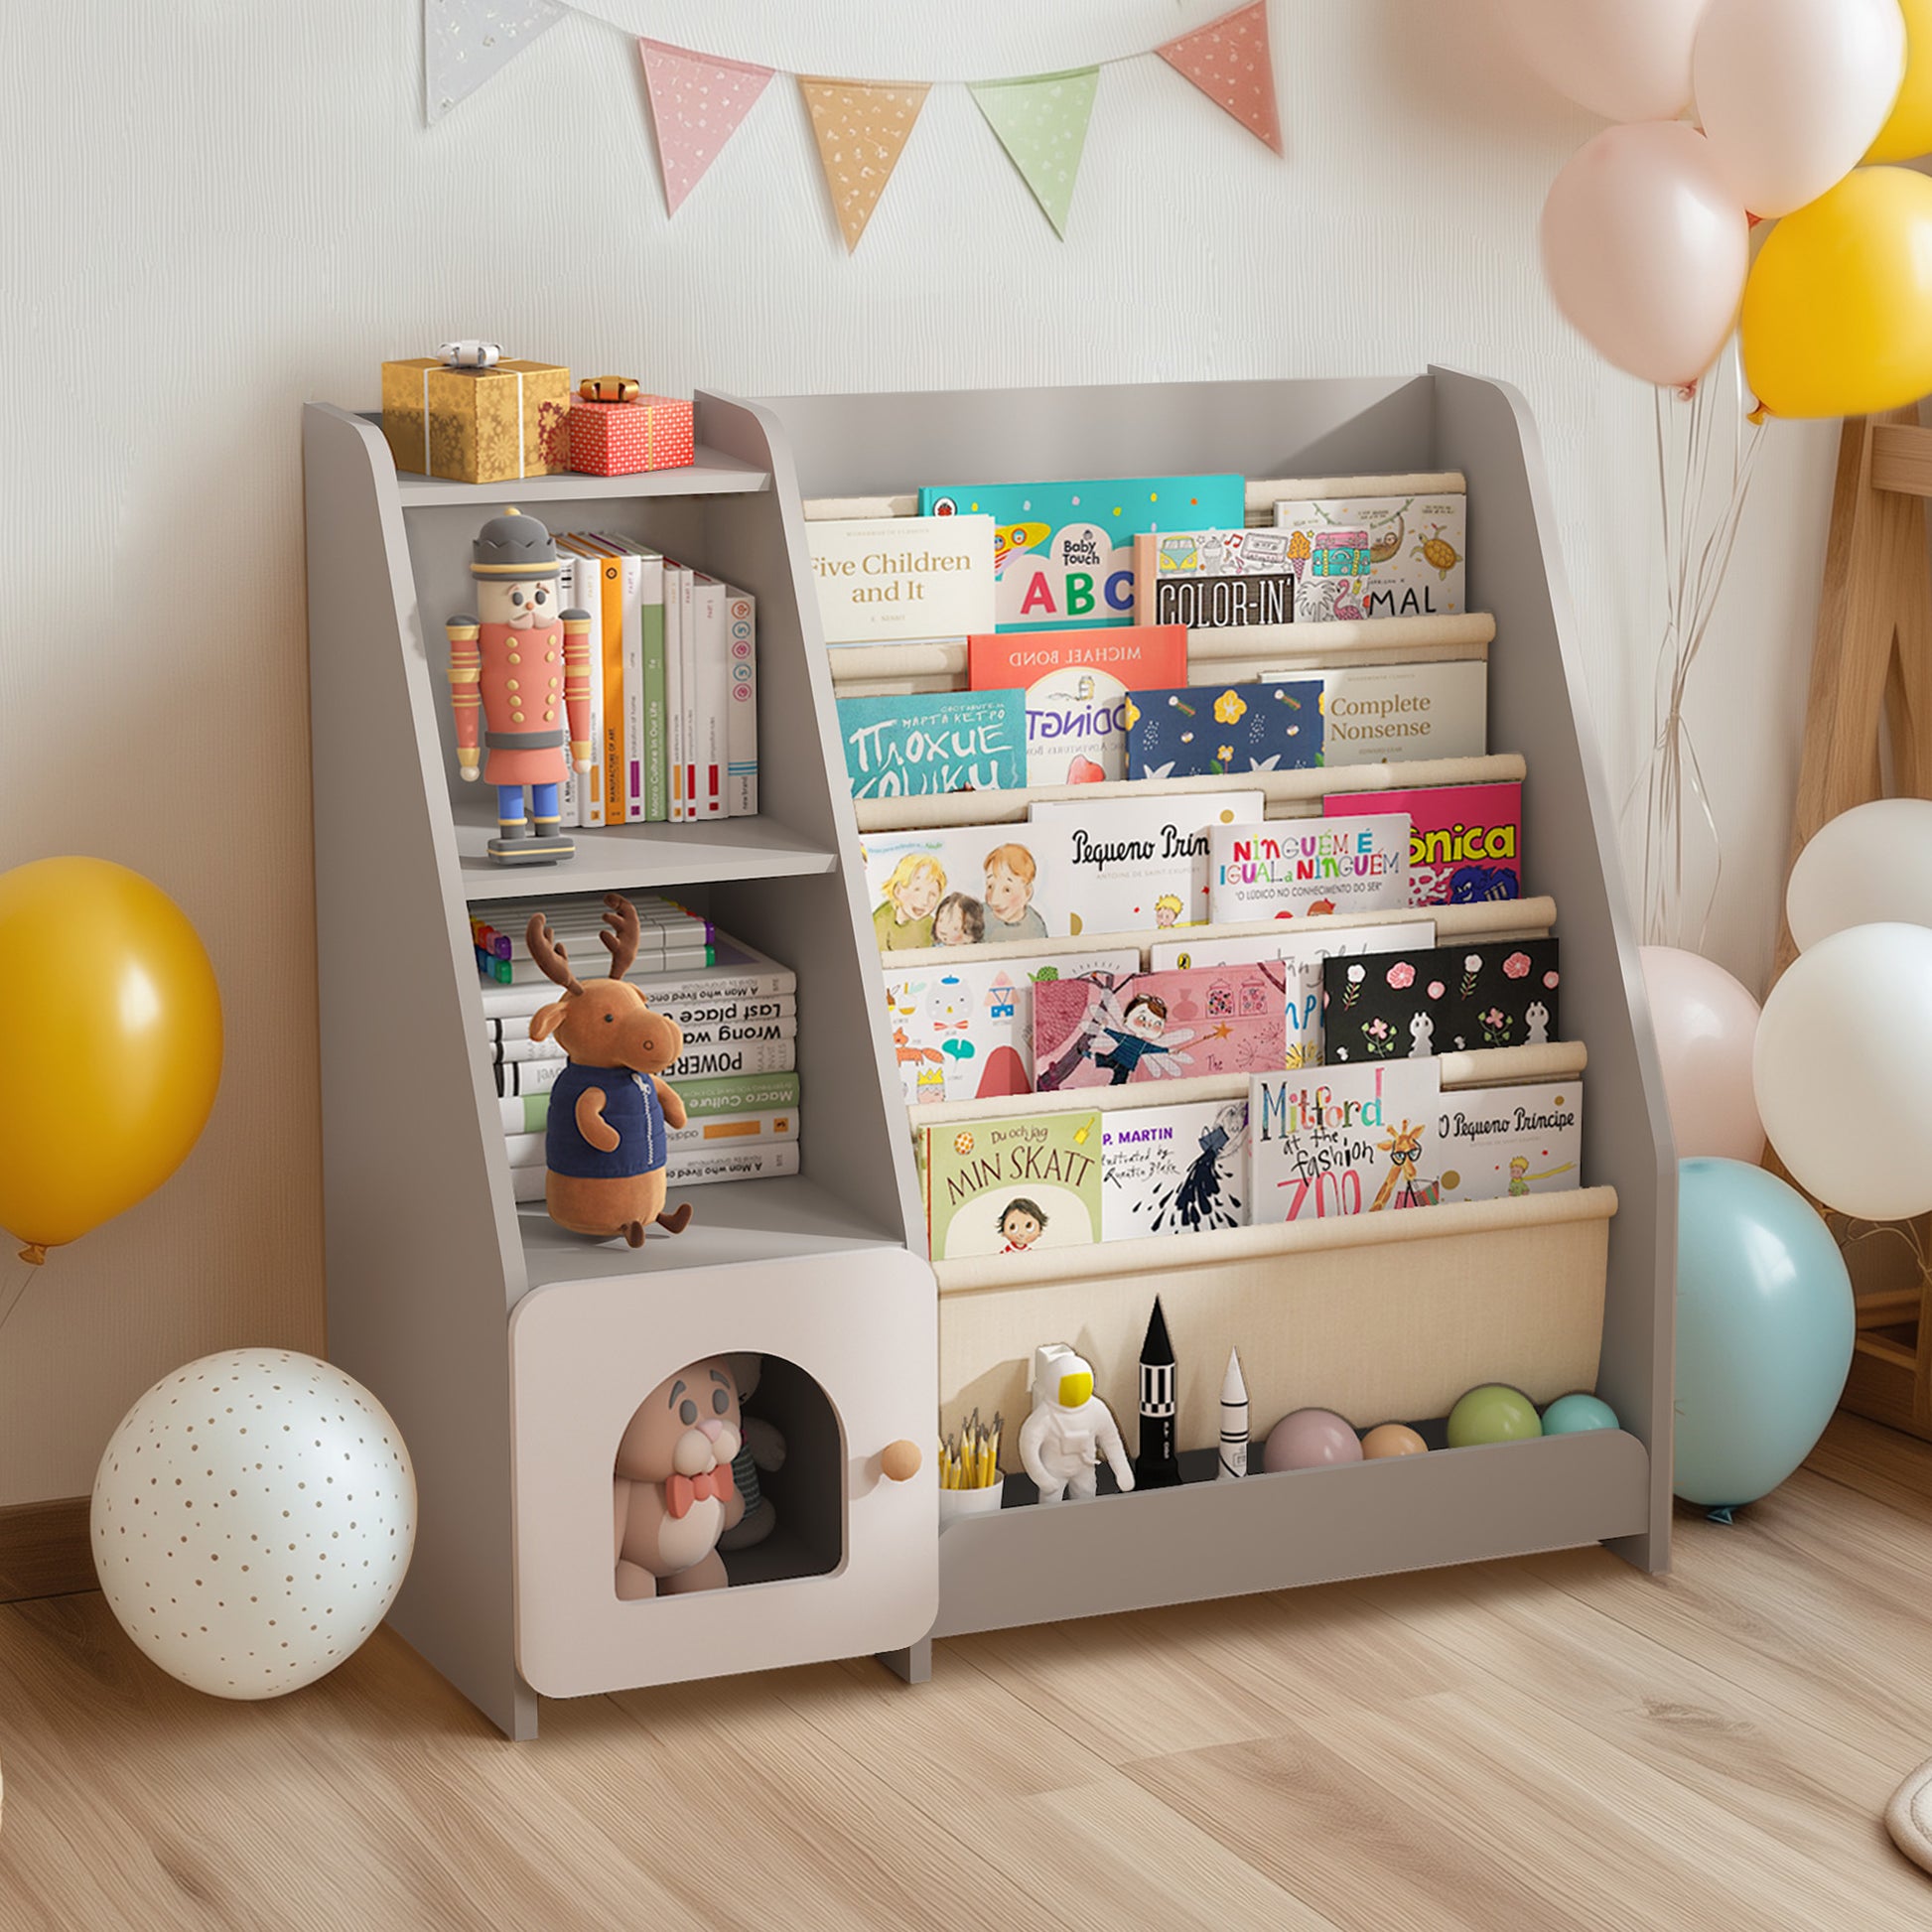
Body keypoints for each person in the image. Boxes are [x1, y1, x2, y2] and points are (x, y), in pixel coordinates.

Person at [872, 855, 944, 951]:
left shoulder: (930, 925)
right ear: (898, 891)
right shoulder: (880, 921)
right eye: (917, 890)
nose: (924, 901)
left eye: (933, 894)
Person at [983, 842, 1047, 940]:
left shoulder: (1035, 927)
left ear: (1027, 892)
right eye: (990, 887)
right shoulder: (979, 917)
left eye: (1007, 890)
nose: (994, 900)